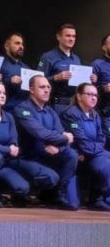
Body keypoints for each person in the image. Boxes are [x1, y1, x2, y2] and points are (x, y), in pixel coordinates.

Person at [13, 75, 79, 210]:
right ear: (31, 89)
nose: (47, 90)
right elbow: (40, 133)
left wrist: (58, 147)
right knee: (51, 177)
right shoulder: (22, 109)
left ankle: (58, 193)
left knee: (71, 154)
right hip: (28, 157)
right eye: (42, 87)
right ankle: (35, 191)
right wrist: (65, 138)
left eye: (48, 87)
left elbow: (58, 132)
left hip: (49, 155)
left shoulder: (50, 111)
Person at [61, 83, 110, 211]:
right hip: (75, 158)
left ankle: (98, 199)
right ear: (79, 96)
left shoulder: (95, 114)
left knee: (105, 164)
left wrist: (98, 151)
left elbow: (101, 138)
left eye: (95, 95)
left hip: (90, 155)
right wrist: (99, 150)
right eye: (89, 94)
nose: (94, 98)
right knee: (73, 204)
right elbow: (81, 141)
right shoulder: (71, 113)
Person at [37, 23, 96, 113]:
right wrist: (56, 77)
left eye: (73, 36)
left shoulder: (76, 58)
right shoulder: (48, 57)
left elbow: (80, 84)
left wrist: (89, 80)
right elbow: (36, 81)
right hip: (56, 104)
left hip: (75, 104)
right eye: (68, 36)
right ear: (58, 37)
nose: (71, 39)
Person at [0, 33, 30, 111]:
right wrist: (9, 81)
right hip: (5, 110)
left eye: (22, 44)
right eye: (17, 43)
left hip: (25, 110)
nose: (21, 47)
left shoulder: (26, 68)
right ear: (7, 46)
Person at [90, 34, 110, 117]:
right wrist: (103, 89)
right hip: (104, 111)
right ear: (104, 47)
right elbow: (88, 89)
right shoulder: (97, 64)